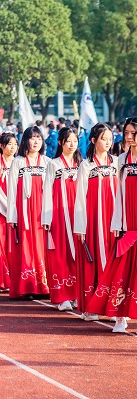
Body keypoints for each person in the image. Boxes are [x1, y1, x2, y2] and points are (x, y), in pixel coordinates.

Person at [87, 117, 137, 336]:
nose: (129, 137)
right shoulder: (121, 159)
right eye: (127, 132)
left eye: (133, 133)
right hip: (127, 220)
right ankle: (121, 314)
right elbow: (119, 192)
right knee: (122, 266)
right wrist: (117, 221)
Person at [73, 123, 118, 321]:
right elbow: (80, 197)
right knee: (93, 262)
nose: (107, 142)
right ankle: (91, 307)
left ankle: (112, 305)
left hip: (113, 219)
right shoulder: (86, 165)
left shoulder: (116, 162)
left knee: (112, 259)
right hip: (92, 219)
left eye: (110, 138)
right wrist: (81, 225)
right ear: (93, 140)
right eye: (103, 138)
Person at [6, 126, 50, 300]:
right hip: (23, 211)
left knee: (42, 247)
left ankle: (44, 286)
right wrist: (12, 216)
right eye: (32, 138)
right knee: (25, 247)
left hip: (42, 212)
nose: (36, 141)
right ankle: (27, 286)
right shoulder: (18, 162)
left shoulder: (47, 162)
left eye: (39, 138)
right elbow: (11, 190)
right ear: (26, 140)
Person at [41, 126, 82, 311]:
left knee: (77, 254)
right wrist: (47, 217)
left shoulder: (82, 163)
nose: (72, 144)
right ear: (60, 143)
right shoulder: (53, 164)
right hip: (58, 215)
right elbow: (47, 191)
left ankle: (76, 294)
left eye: (75, 141)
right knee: (60, 254)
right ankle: (62, 295)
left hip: (78, 215)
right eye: (68, 141)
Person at [0, 132, 18, 292]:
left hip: (16, 210)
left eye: (14, 144)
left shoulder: (19, 163)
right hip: (1, 209)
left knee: (12, 244)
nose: (12, 148)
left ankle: (13, 277)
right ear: (1, 146)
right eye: (9, 144)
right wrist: (6, 206)